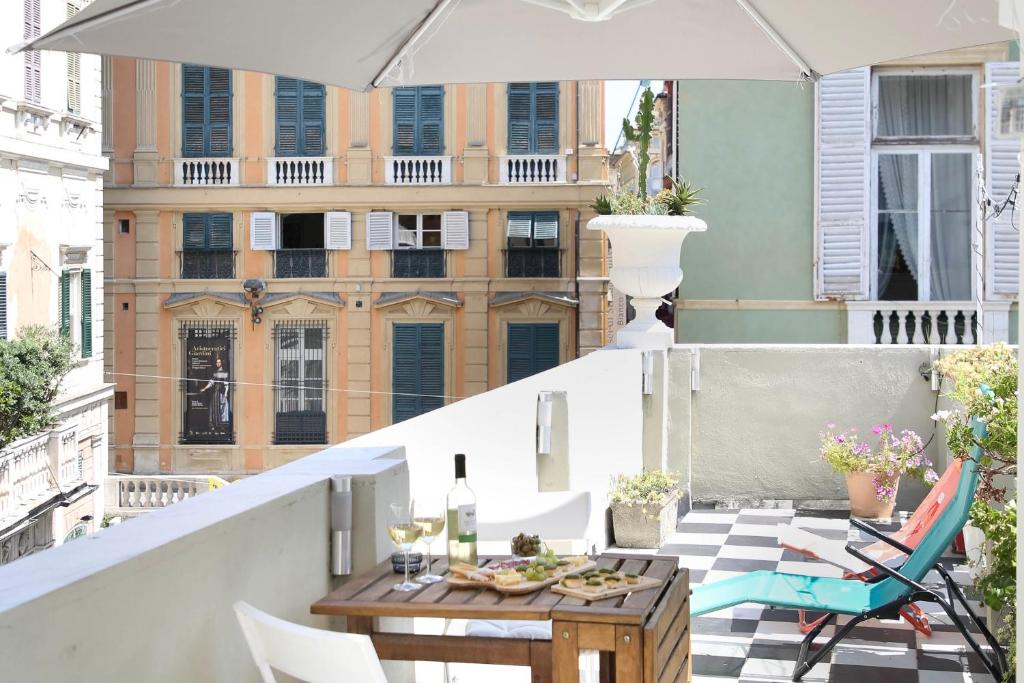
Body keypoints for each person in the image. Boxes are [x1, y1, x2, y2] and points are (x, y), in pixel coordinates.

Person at [199, 356, 230, 429]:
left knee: (222, 408)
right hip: (215, 393)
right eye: (217, 362)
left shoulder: (224, 372)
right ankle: (215, 424)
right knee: (213, 408)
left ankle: (222, 425)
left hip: (221, 393)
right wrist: (204, 388)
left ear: (221, 363)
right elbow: (211, 382)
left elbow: (226, 384)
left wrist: (225, 393)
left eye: (219, 362)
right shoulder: (215, 373)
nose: (218, 363)